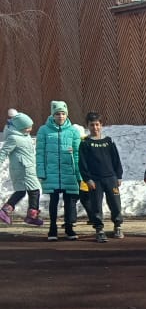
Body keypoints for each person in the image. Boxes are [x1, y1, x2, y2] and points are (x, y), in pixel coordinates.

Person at [35, 100, 82, 241]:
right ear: (52, 115)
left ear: (66, 114)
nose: (60, 116)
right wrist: (41, 172)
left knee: (69, 202)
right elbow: (40, 153)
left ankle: (69, 227)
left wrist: (79, 173)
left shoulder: (73, 131)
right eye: (57, 114)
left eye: (62, 113)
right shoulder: (43, 130)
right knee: (53, 201)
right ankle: (52, 228)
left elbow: (78, 154)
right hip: (52, 172)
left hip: (69, 173)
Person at [78, 112, 124, 242]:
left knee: (115, 203)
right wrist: (88, 179)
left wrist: (118, 176)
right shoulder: (85, 143)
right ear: (87, 126)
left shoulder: (108, 141)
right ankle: (99, 229)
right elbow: (82, 164)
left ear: (101, 125)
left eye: (97, 124)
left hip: (110, 178)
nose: (95, 127)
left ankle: (118, 225)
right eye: (92, 125)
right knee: (96, 205)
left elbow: (116, 160)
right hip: (95, 180)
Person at [0, 112, 44, 226]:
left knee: (21, 191)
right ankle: (31, 215)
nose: (30, 129)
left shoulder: (26, 136)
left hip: (27, 168)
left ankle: (6, 210)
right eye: (27, 127)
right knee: (34, 191)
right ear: (20, 127)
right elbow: (3, 152)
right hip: (23, 169)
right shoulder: (14, 138)